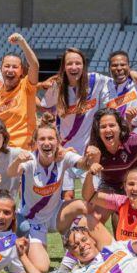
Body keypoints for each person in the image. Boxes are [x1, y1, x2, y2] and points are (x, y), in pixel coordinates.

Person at [7, 119, 94, 273]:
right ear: (35, 142)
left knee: (85, 206)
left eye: (51, 138)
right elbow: (12, 172)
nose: (47, 143)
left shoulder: (63, 157)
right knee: (42, 267)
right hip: (32, 221)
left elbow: (83, 164)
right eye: (42, 139)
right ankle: (14, 252)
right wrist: (17, 161)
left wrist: (89, 157)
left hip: (55, 215)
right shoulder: (30, 160)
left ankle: (83, 253)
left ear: (57, 141)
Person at [41, 47, 109, 199]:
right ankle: (70, 223)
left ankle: (87, 223)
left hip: (89, 149)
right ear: (64, 67)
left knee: (92, 195)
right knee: (67, 195)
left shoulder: (96, 80)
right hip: (65, 150)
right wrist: (37, 86)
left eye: (78, 63)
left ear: (84, 65)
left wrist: (133, 72)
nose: (74, 67)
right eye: (69, 64)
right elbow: (43, 107)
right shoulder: (57, 87)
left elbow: (120, 76)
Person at [0, 33, 40, 150]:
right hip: (3, 150)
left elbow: (34, 65)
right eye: (7, 66)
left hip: (26, 150)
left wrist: (22, 42)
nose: (10, 70)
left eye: (15, 67)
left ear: (21, 71)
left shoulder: (26, 86)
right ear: (1, 69)